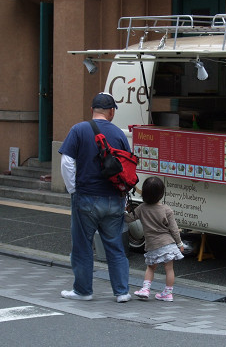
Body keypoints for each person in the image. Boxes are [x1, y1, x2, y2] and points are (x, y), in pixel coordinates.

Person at [59, 92, 132, 303]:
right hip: (114, 199)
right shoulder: (119, 134)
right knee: (115, 246)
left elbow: (67, 162)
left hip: (86, 198)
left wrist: (74, 189)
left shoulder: (79, 129)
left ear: (92, 110)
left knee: (83, 246)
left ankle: (83, 291)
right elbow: (127, 168)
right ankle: (121, 292)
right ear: (111, 112)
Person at [125, 176, 184, 302]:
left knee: (151, 268)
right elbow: (174, 229)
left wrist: (123, 211)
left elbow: (128, 219)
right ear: (161, 193)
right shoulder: (166, 210)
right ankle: (168, 293)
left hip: (152, 244)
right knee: (169, 269)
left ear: (144, 193)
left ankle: (145, 290)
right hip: (168, 243)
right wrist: (179, 243)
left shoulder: (141, 209)